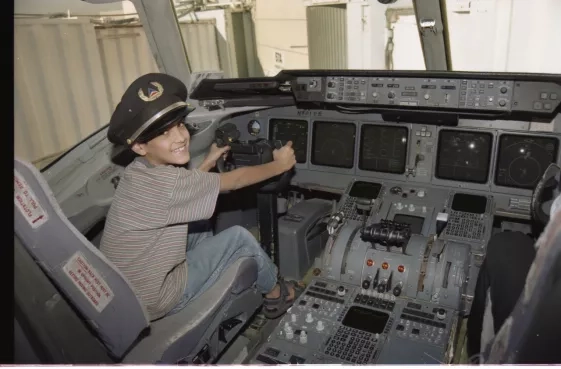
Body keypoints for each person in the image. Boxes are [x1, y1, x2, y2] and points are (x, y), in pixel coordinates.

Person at [100, 73, 304, 321]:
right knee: (239, 237)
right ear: (140, 147)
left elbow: (183, 193)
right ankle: (276, 295)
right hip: (156, 298)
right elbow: (236, 180)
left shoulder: (139, 172)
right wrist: (280, 166)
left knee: (198, 223)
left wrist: (208, 160)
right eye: (164, 134)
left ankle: (219, 266)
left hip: (131, 291)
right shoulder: (169, 184)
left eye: (179, 125)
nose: (180, 137)